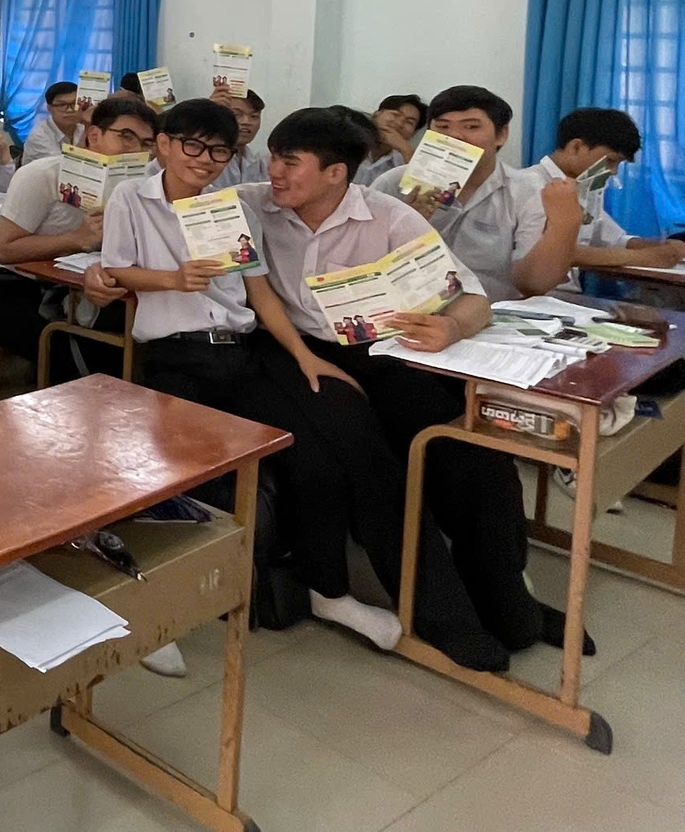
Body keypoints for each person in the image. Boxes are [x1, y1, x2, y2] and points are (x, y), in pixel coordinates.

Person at [238, 106, 547, 669]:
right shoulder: (253, 205)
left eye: (290, 161)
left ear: (336, 173)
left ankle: (509, 602)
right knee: (368, 460)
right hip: (295, 350)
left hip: (381, 350)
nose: (274, 172)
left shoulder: (387, 217)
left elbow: (471, 297)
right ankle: (442, 615)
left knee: (469, 451)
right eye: (274, 158)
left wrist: (451, 327)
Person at [95, 97, 316, 676]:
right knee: (171, 475)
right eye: (192, 145)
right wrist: (173, 279)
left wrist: (304, 355)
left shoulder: (230, 208)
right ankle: (155, 608)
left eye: (219, 150)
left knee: (291, 452)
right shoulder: (131, 198)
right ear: (164, 145)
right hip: (175, 353)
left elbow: (259, 291)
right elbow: (117, 269)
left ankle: (275, 582)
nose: (204, 159)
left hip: (239, 350)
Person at [0, 96, 158, 367]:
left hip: (75, 288)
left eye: (145, 144)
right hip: (11, 285)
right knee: (77, 355)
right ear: (94, 135)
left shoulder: (136, 185)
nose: (136, 151)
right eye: (126, 137)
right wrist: (77, 239)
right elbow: (4, 250)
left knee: (135, 342)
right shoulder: (41, 174)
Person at [369, 85, 570, 301]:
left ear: (501, 135)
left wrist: (565, 224)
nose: (454, 136)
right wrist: (405, 227)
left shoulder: (527, 190)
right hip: (407, 309)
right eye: (442, 127)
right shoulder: (392, 184)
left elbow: (531, 283)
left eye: (471, 127)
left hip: (493, 311)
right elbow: (363, 262)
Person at [527, 108, 685, 275]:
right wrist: (644, 257)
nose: (614, 172)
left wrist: (660, 247)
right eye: (610, 160)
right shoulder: (530, 185)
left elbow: (609, 239)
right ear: (576, 147)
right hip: (536, 289)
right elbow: (547, 252)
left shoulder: (588, 187)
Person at [354, 93, 428, 185]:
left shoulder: (403, 160)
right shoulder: (350, 139)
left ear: (414, 133)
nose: (399, 123)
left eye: (409, 122)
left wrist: (406, 150)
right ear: (376, 115)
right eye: (395, 115)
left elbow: (421, 188)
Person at [207, 89, 268, 190]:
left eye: (254, 116)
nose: (246, 122)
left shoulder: (261, 163)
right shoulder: (206, 159)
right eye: (237, 115)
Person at [21, 81, 81, 162]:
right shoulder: (39, 136)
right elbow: (65, 166)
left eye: (74, 104)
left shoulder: (82, 128)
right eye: (62, 105)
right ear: (49, 108)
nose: (70, 110)